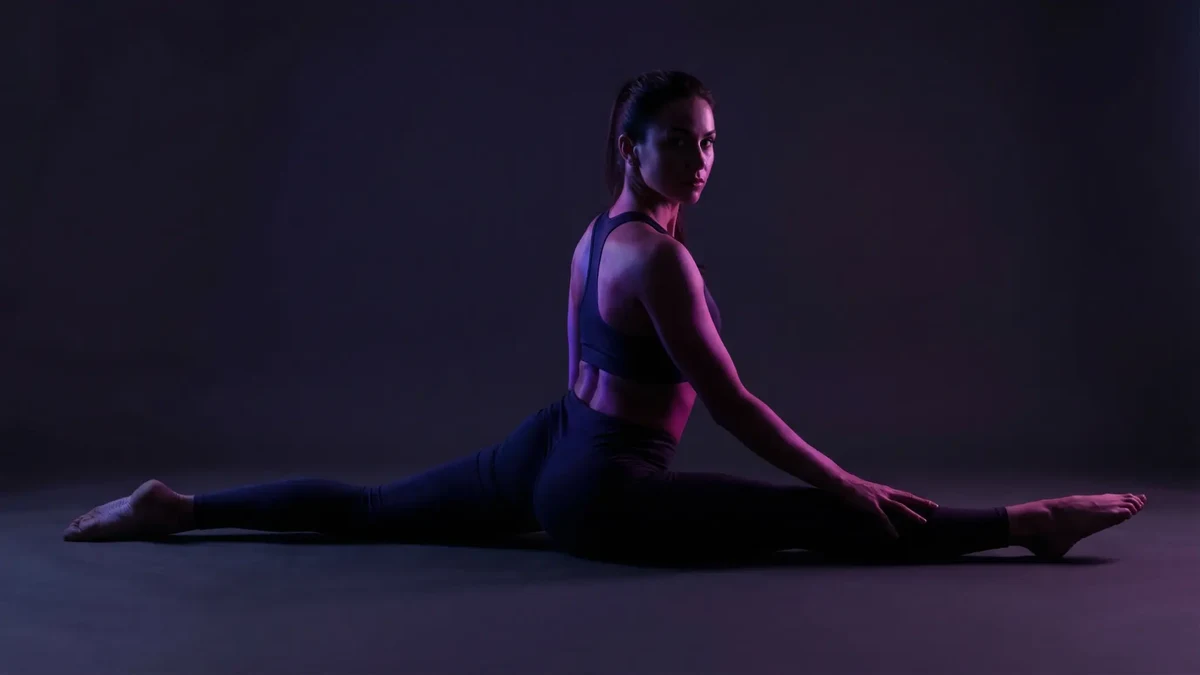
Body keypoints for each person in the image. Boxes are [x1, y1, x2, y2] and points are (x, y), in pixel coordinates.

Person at [63, 70, 1146, 565]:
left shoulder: (597, 234)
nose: (701, 158)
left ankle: (179, 507)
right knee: (821, 521)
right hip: (601, 490)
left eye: (711, 140)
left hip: (554, 447)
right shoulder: (657, 262)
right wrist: (843, 477)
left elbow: (594, 367)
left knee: (370, 511)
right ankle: (1028, 524)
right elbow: (733, 405)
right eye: (678, 140)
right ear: (630, 145)